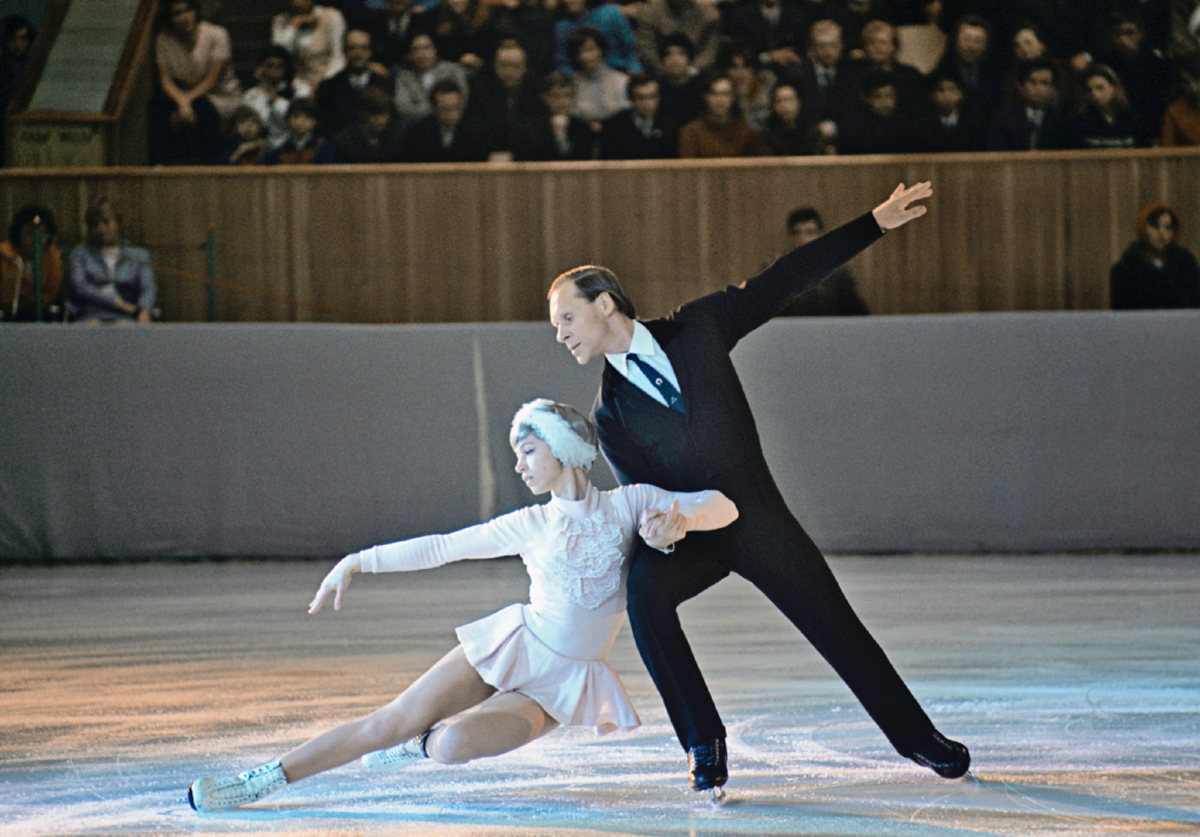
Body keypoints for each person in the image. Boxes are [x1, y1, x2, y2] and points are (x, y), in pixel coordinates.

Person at [546, 182, 971, 795]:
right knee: (645, 594)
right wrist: (661, 527)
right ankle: (703, 742)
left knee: (835, 623)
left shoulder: (698, 328)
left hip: (759, 521)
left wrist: (872, 224)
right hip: (697, 536)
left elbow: (782, 280)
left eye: (566, 317)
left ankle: (917, 738)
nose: (560, 333)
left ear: (607, 303)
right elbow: (645, 498)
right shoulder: (609, 415)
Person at [187, 398, 738, 812]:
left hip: (565, 680)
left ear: (565, 447)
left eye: (528, 451)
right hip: (515, 645)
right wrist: (358, 560)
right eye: (516, 455)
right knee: (389, 722)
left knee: (452, 747)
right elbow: (443, 547)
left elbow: (722, 506)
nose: (520, 466)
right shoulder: (531, 523)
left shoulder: (631, 503)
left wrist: (683, 519)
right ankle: (260, 780)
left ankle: (422, 745)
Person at [149, 0, 241, 165]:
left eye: (188, 10)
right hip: (185, 95)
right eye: (177, 13)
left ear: (195, 12)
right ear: (169, 18)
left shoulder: (217, 34)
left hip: (221, 95)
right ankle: (158, 164)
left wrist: (186, 103)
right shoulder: (163, 39)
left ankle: (212, 163)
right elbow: (165, 82)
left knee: (201, 106)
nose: (184, 17)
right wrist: (182, 101)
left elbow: (212, 81)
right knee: (156, 105)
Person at [66, 198, 157, 324]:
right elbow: (80, 287)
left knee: (124, 328)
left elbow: (148, 288)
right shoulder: (80, 254)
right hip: (88, 315)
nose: (100, 228)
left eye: (106, 221)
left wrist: (144, 310)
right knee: (91, 328)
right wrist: (117, 304)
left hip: (127, 317)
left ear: (118, 222)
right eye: (94, 224)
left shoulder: (139, 255)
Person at [778, 206, 870, 315]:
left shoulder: (837, 273)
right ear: (790, 237)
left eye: (810, 232)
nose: (803, 239)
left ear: (820, 235)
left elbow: (857, 314)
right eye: (797, 233)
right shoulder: (778, 272)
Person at [1110, 201, 1200, 310]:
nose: (1162, 233)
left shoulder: (1186, 265)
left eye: (1168, 227)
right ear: (1143, 227)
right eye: (1155, 226)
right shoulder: (1124, 270)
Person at [467, 39, 542, 159]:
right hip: (487, 157)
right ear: (495, 66)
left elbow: (536, 129)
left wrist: (515, 155)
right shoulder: (479, 91)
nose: (509, 71)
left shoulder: (537, 91)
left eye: (515, 66)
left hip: (527, 159)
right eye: (504, 65)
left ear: (525, 68)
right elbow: (476, 128)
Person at [314, 29, 394, 138]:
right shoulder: (328, 88)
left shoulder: (385, 84)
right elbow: (326, 128)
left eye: (363, 48)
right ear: (344, 51)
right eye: (352, 48)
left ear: (371, 51)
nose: (358, 53)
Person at [986, 58, 1068, 151]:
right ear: (1021, 86)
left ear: (1052, 89)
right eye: (1033, 82)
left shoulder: (1061, 122)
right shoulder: (1004, 119)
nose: (1038, 88)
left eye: (1045, 83)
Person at [241, 45, 314, 148]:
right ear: (261, 67)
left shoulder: (300, 88)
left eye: (279, 66)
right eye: (269, 66)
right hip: (261, 146)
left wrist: (271, 93)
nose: (274, 71)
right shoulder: (250, 95)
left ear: (286, 68)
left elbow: (293, 119)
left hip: (293, 145)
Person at [0, 204, 63, 321]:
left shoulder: (52, 254)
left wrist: (30, 300)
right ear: (19, 233)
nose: (36, 240)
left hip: (43, 314)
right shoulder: (5, 253)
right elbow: (8, 295)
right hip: (10, 316)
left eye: (42, 234)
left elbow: (52, 291)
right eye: (29, 234)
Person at [401, 79, 490, 162]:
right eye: (445, 109)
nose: (451, 114)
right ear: (433, 108)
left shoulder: (477, 130)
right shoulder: (419, 132)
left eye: (455, 108)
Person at [515, 71, 597, 160]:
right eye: (556, 96)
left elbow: (584, 161)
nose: (563, 102)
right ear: (545, 98)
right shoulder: (529, 128)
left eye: (567, 96)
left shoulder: (583, 128)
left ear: (574, 98)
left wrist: (562, 138)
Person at [393, 33, 470, 127]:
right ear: (410, 55)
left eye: (426, 47)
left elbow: (464, 99)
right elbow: (404, 108)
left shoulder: (453, 70)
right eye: (416, 49)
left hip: (454, 122)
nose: (422, 54)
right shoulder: (404, 77)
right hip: (418, 126)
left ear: (435, 50)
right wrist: (439, 109)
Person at [1063, 63, 1147, 149]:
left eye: (1100, 88)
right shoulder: (1080, 122)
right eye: (1089, 90)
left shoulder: (1131, 119)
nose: (1094, 94)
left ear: (1113, 88)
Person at [272, 0, 348, 91]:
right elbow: (278, 54)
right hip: (298, 84)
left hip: (330, 81)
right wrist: (293, 27)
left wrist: (322, 85)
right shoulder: (281, 20)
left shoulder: (332, 16)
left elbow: (338, 57)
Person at [599, 72, 679, 159]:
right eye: (641, 97)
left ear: (659, 98)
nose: (647, 103)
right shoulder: (613, 126)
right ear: (630, 99)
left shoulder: (670, 124)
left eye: (652, 96)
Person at [677, 72, 758, 157]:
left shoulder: (745, 132)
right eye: (714, 94)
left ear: (733, 98)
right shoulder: (691, 132)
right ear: (705, 97)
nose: (720, 100)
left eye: (725, 94)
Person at [553, 0, 641, 75]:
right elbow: (563, 63)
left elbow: (631, 50)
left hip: (620, 71)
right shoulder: (563, 27)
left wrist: (635, 74)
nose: (567, 1)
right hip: (584, 79)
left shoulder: (611, 14)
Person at [634, 0, 721, 76]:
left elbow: (709, 51)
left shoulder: (709, 15)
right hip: (658, 73)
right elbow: (646, 48)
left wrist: (691, 70)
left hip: (697, 74)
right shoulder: (649, 12)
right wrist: (667, 71)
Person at [566, 27, 630, 128]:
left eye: (590, 49)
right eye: (580, 51)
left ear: (601, 50)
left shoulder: (622, 80)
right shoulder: (571, 83)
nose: (586, 56)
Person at [329, 86, 407, 162]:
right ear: (362, 114)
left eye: (384, 115)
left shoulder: (396, 137)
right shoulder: (344, 141)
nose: (380, 120)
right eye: (374, 115)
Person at [754, 81, 820, 155]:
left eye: (789, 100)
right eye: (779, 101)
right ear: (773, 106)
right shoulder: (766, 134)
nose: (784, 105)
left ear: (798, 103)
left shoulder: (811, 131)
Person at [262, 97, 336, 164]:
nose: (301, 122)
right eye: (297, 116)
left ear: (315, 122)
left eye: (307, 118)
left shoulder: (322, 146)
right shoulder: (281, 148)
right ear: (288, 119)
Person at [1160, 51, 1200, 146]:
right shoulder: (1175, 110)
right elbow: (1167, 151)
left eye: (1197, 81)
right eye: (1186, 82)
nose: (1193, 87)